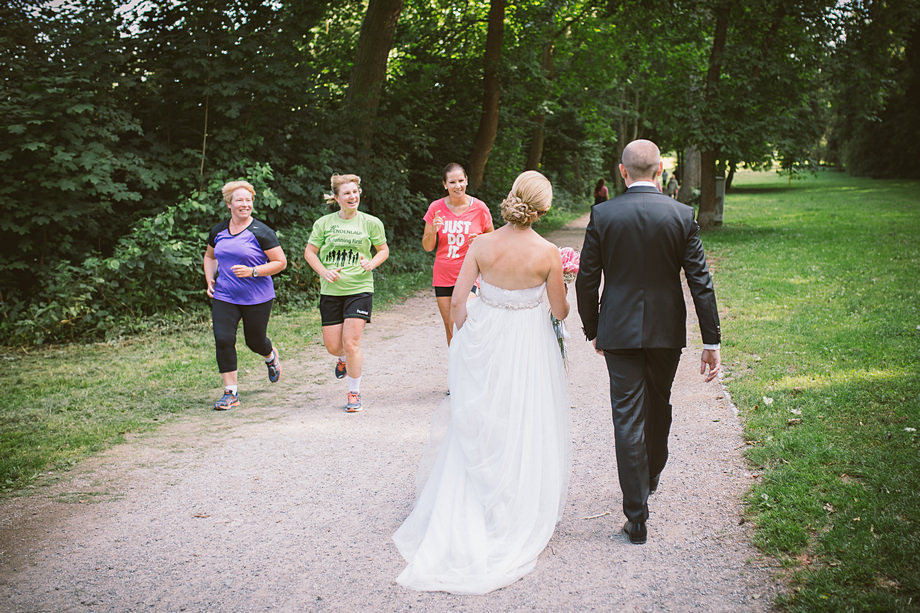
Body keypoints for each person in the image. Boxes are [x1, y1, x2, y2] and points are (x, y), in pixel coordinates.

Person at [394, 170, 571, 594]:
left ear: (512, 197)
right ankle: (514, 501)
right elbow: (560, 312)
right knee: (522, 417)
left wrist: (467, 342)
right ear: (543, 209)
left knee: (483, 415)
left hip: (486, 338)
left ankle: (477, 494)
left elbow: (458, 302)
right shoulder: (548, 253)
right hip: (527, 346)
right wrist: (568, 281)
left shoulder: (481, 244)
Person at [575, 139, 721, 545]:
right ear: (659, 171)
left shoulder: (604, 214)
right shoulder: (681, 214)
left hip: (618, 331)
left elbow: (587, 279)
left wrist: (594, 328)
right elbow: (700, 282)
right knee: (658, 404)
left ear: (623, 172)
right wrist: (711, 340)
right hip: (665, 332)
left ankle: (636, 515)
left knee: (626, 416)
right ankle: (652, 472)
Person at [304, 174, 389, 413]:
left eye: (355, 192)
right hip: (331, 290)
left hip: (359, 288)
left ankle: (354, 392)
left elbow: (383, 250)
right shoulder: (324, 223)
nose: (353, 197)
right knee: (334, 346)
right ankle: (341, 359)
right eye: (347, 193)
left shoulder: (371, 222)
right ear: (336, 197)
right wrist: (324, 271)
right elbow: (310, 253)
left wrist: (371, 264)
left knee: (351, 343)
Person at [203, 180, 287, 411]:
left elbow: (280, 262)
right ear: (229, 204)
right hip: (225, 295)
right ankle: (230, 393)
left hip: (257, 297)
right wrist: (209, 278)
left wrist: (253, 271)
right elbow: (210, 256)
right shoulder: (218, 231)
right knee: (223, 339)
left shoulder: (262, 232)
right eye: (239, 200)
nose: (245, 204)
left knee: (255, 341)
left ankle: (270, 356)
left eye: (248, 200)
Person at [421, 163, 494, 346]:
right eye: (452, 182)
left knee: (459, 320)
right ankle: (455, 362)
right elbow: (427, 246)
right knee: (450, 327)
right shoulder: (436, 208)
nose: (458, 186)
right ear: (445, 184)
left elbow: (492, 241)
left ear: (467, 181)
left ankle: (473, 358)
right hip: (443, 275)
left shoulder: (480, 208)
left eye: (461, 180)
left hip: (469, 274)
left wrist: (480, 240)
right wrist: (433, 230)